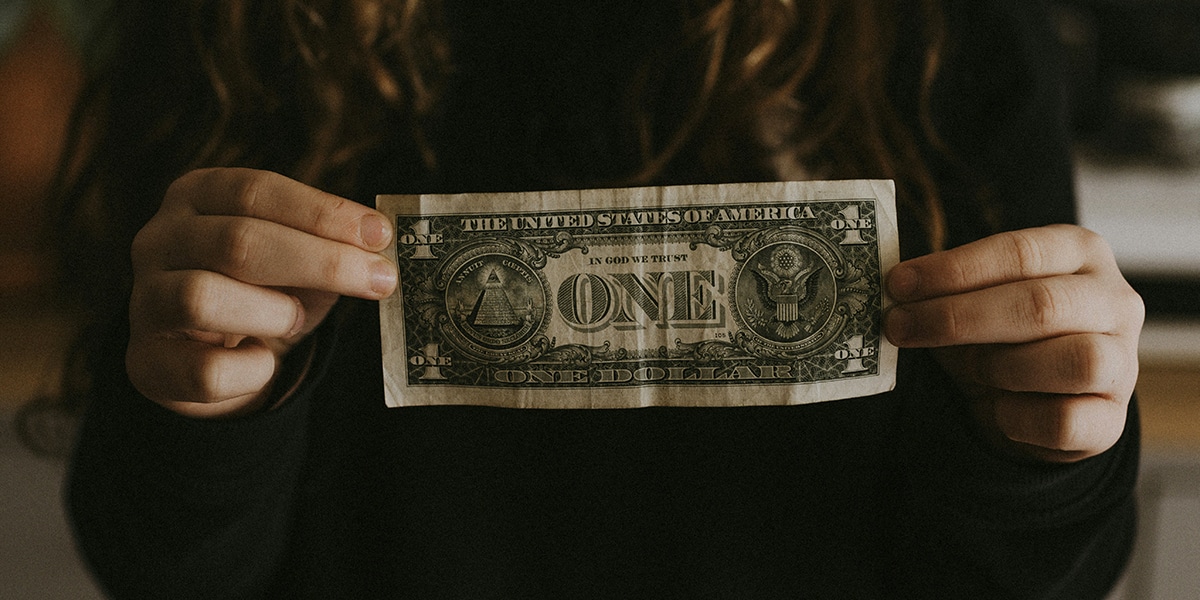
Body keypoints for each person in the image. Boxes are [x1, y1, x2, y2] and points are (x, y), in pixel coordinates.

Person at [60, 0, 1143, 598]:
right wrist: (205, 415)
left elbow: (1024, 581)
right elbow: (156, 565)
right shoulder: (233, 24)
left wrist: (1047, 456)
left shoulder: (952, 29)